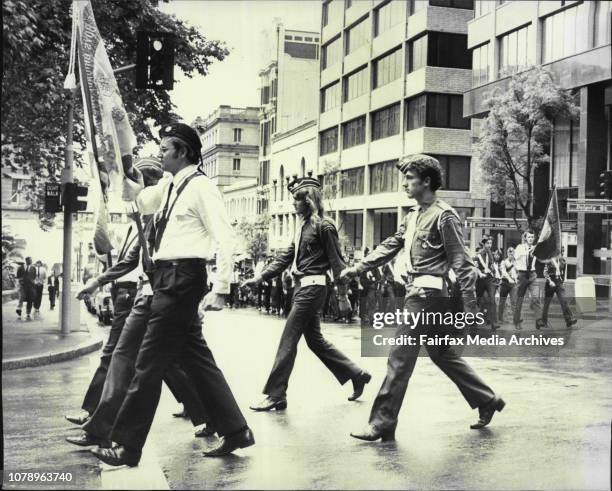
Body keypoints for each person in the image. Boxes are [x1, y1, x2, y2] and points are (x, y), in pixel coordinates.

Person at [90, 122, 253, 467]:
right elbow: (136, 200)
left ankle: (126, 446)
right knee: (197, 359)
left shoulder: (201, 188)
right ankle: (237, 430)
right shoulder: (168, 185)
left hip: (182, 277)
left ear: (182, 152)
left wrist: (222, 288)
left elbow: (225, 237)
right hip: (165, 278)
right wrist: (121, 166)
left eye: (165, 149)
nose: (160, 154)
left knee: (148, 362)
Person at [341, 154, 504, 442]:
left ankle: (381, 422)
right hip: (420, 293)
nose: (405, 183)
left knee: (399, 357)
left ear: (427, 181)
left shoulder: (444, 216)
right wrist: (357, 267)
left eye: (409, 178)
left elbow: (462, 265)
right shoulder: (414, 215)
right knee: (442, 354)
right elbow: (391, 246)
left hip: (428, 296)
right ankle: (487, 400)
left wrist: (471, 310)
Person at [65, 158, 210, 441]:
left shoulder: (162, 220)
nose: (127, 195)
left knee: (130, 360)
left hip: (156, 297)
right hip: (148, 296)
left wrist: (201, 298)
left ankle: (104, 428)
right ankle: (215, 419)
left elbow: (177, 262)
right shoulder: (139, 225)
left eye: (132, 187)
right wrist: (97, 281)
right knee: (168, 362)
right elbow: (129, 260)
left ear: (148, 188)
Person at [244, 176, 371, 412]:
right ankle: (357, 374)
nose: (293, 204)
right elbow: (284, 258)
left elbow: (338, 264)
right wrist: (260, 277)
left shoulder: (325, 226)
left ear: (309, 200)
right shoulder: (301, 228)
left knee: (288, 340)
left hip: (313, 288)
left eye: (297, 200)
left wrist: (342, 297)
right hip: (302, 288)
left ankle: (276, 394)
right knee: (315, 342)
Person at [513, 230, 543, 330]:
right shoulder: (520, 247)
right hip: (522, 274)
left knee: (535, 297)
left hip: (532, 274)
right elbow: (516, 257)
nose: (531, 239)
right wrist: (527, 252)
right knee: (520, 299)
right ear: (525, 238)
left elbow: (541, 258)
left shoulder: (536, 248)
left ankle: (539, 320)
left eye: (532, 237)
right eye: (529, 237)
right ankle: (517, 321)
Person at [539, 254, 577, 329]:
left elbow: (563, 269)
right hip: (550, 282)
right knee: (546, 303)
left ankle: (569, 319)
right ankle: (544, 321)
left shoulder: (561, 259)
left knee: (563, 301)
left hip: (559, 282)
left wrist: (562, 280)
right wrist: (549, 281)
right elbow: (545, 272)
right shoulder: (549, 260)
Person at [475, 236, 500, 330]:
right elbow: (475, 267)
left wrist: (496, 273)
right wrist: (480, 273)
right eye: (487, 243)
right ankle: (474, 322)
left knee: (492, 300)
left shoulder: (491, 255)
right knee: (478, 301)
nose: (489, 245)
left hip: (489, 279)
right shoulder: (478, 255)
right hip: (481, 279)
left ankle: (494, 323)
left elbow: (493, 265)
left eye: (490, 243)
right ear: (484, 244)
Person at [498, 247, 518, 323]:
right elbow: (504, 272)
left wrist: (516, 279)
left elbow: (517, 272)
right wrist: (509, 279)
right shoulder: (503, 262)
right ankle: (500, 318)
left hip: (513, 284)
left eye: (512, 253)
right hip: (505, 283)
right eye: (509, 253)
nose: (511, 254)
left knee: (514, 301)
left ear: (514, 254)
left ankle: (515, 319)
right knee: (502, 302)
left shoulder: (516, 262)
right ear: (507, 253)